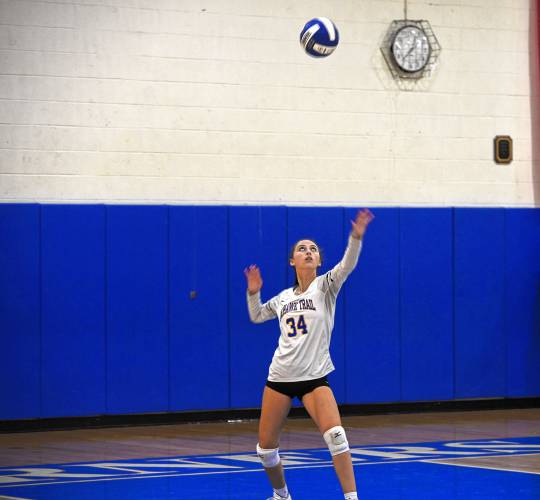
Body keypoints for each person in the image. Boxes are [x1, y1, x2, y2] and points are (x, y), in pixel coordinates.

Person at [244, 208, 375, 500]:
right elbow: (256, 316)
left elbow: (348, 264)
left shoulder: (326, 286)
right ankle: (281, 495)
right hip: (280, 376)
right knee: (265, 450)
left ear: (319, 260)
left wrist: (356, 236)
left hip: (315, 377)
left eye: (313, 249)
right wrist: (254, 292)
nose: (307, 252)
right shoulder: (283, 298)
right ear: (293, 260)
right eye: (301, 249)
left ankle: (352, 498)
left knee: (337, 437)